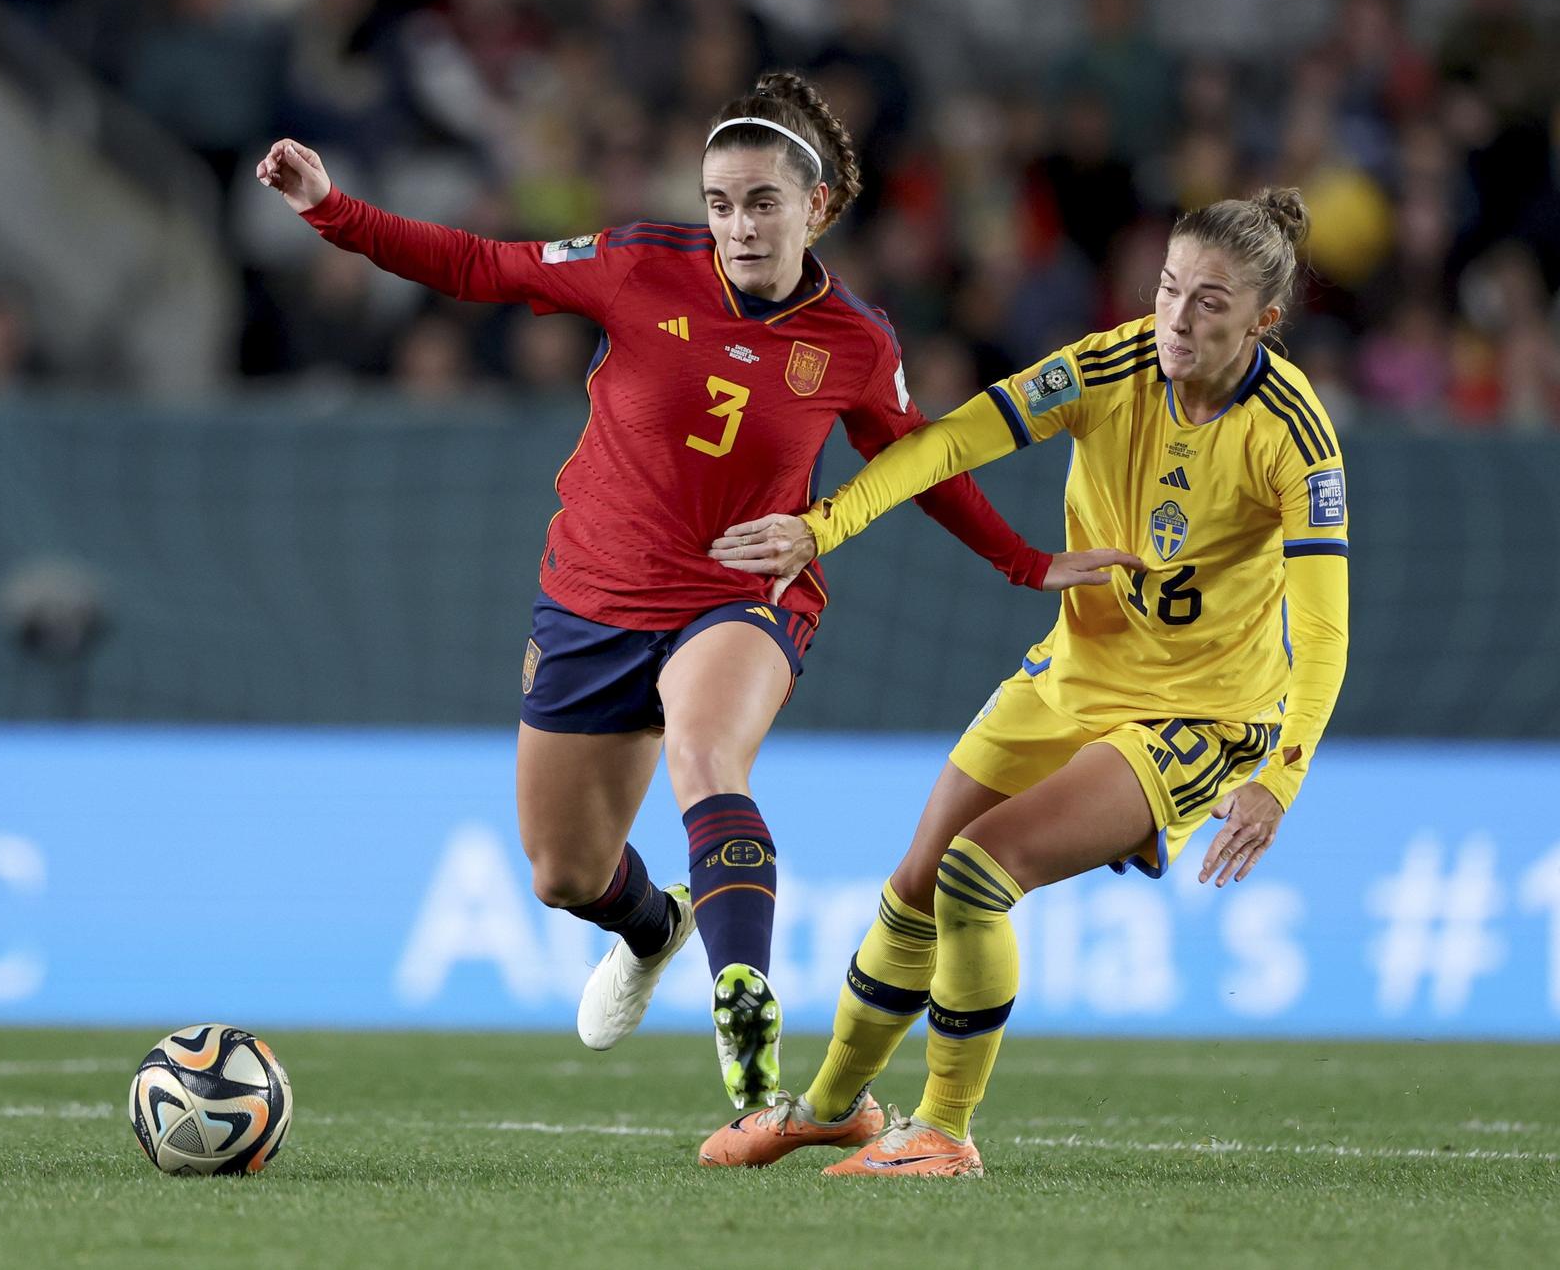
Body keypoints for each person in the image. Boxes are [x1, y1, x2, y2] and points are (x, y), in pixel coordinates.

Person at [256, 72, 1132, 1109]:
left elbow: (917, 463)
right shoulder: (635, 265)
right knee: (562, 871)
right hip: (592, 594)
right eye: (719, 203)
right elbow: (475, 265)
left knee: (704, 752)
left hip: (744, 587)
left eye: (761, 202)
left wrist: (1024, 561)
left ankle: (741, 997)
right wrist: (329, 208)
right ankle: (651, 927)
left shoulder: (855, 340)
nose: (738, 225)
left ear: (813, 206)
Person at [699, 187, 1348, 1173]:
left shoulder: (1292, 438)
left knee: (975, 873)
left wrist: (1279, 777)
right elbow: (948, 439)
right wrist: (822, 523)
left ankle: (945, 1132)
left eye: (1209, 302)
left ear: (1264, 319)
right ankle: (831, 1106)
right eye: (1168, 288)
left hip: (1199, 713)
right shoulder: (1108, 367)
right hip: (1070, 671)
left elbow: (1322, 628)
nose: (1175, 318)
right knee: (913, 883)